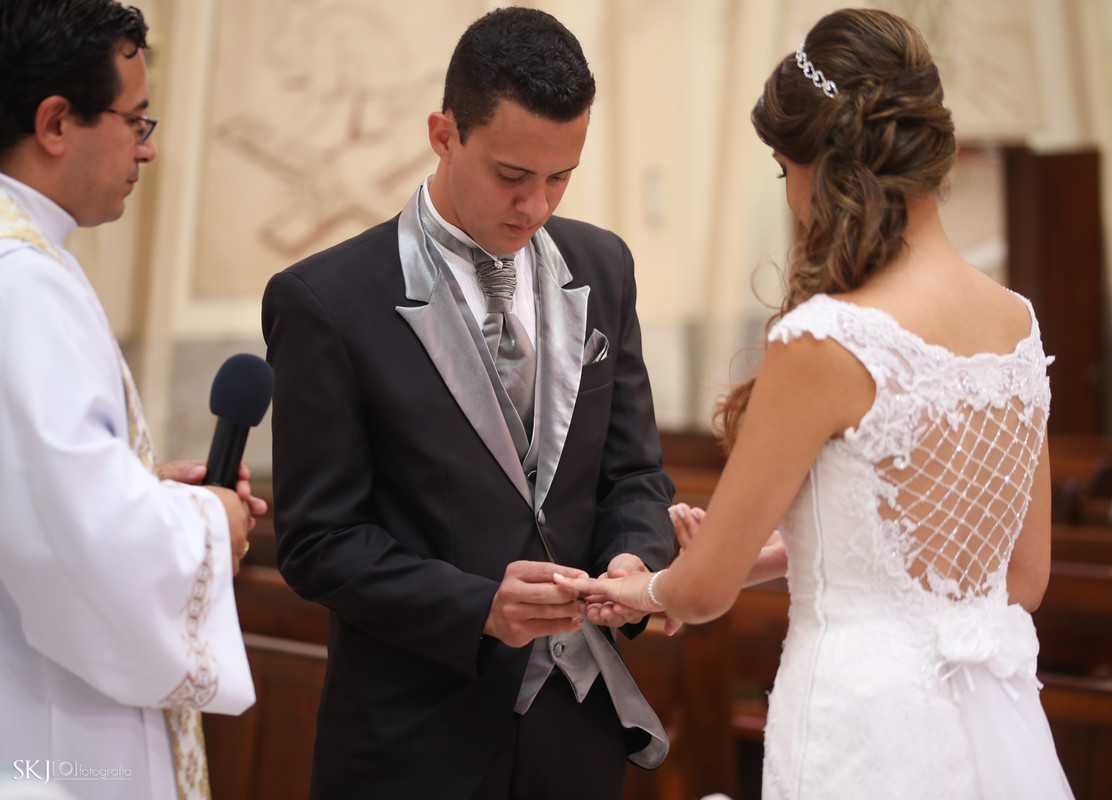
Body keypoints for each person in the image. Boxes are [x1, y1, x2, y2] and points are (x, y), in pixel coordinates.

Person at [556, 9, 1075, 800]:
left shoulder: (830, 338)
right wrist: (788, 551)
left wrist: (639, 589)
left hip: (862, 725)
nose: (793, 197)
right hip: (988, 725)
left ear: (825, 168)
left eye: (783, 170)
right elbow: (1023, 579)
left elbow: (704, 592)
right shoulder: (1017, 323)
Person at [261, 7, 675, 799]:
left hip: (578, 726)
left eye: (560, 177)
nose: (536, 206)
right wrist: (479, 607)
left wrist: (634, 558)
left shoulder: (604, 267)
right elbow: (317, 542)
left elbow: (635, 476)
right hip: (415, 740)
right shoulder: (327, 300)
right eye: (511, 176)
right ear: (444, 134)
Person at [0, 2, 262, 798]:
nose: (148, 148)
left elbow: (35, 495)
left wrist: (144, 491)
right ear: (56, 123)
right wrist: (212, 522)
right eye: (135, 121)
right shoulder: (24, 283)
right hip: (44, 722)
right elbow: (86, 544)